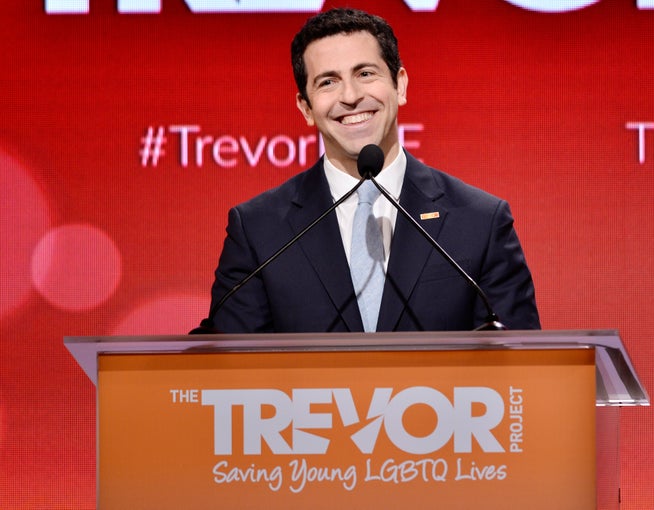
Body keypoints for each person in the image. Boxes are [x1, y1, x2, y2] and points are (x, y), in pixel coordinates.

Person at [201, 8, 540, 333]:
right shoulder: (260, 230)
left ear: (400, 85)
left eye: (365, 74)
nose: (350, 96)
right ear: (305, 107)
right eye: (328, 82)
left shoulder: (479, 221)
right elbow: (229, 373)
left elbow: (519, 369)